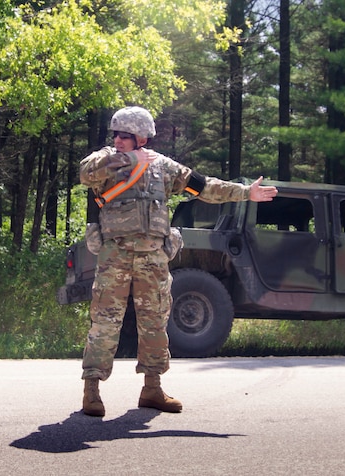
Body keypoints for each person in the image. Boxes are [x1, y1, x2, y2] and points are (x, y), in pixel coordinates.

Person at [79, 106, 278, 417]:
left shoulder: (162, 167)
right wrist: (128, 160)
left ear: (142, 138)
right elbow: (86, 174)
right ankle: (92, 389)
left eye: (126, 136)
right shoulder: (106, 160)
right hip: (115, 254)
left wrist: (245, 194)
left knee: (155, 322)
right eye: (115, 134)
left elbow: (204, 187)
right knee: (105, 322)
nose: (118, 139)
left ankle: (152, 388)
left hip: (153, 258)